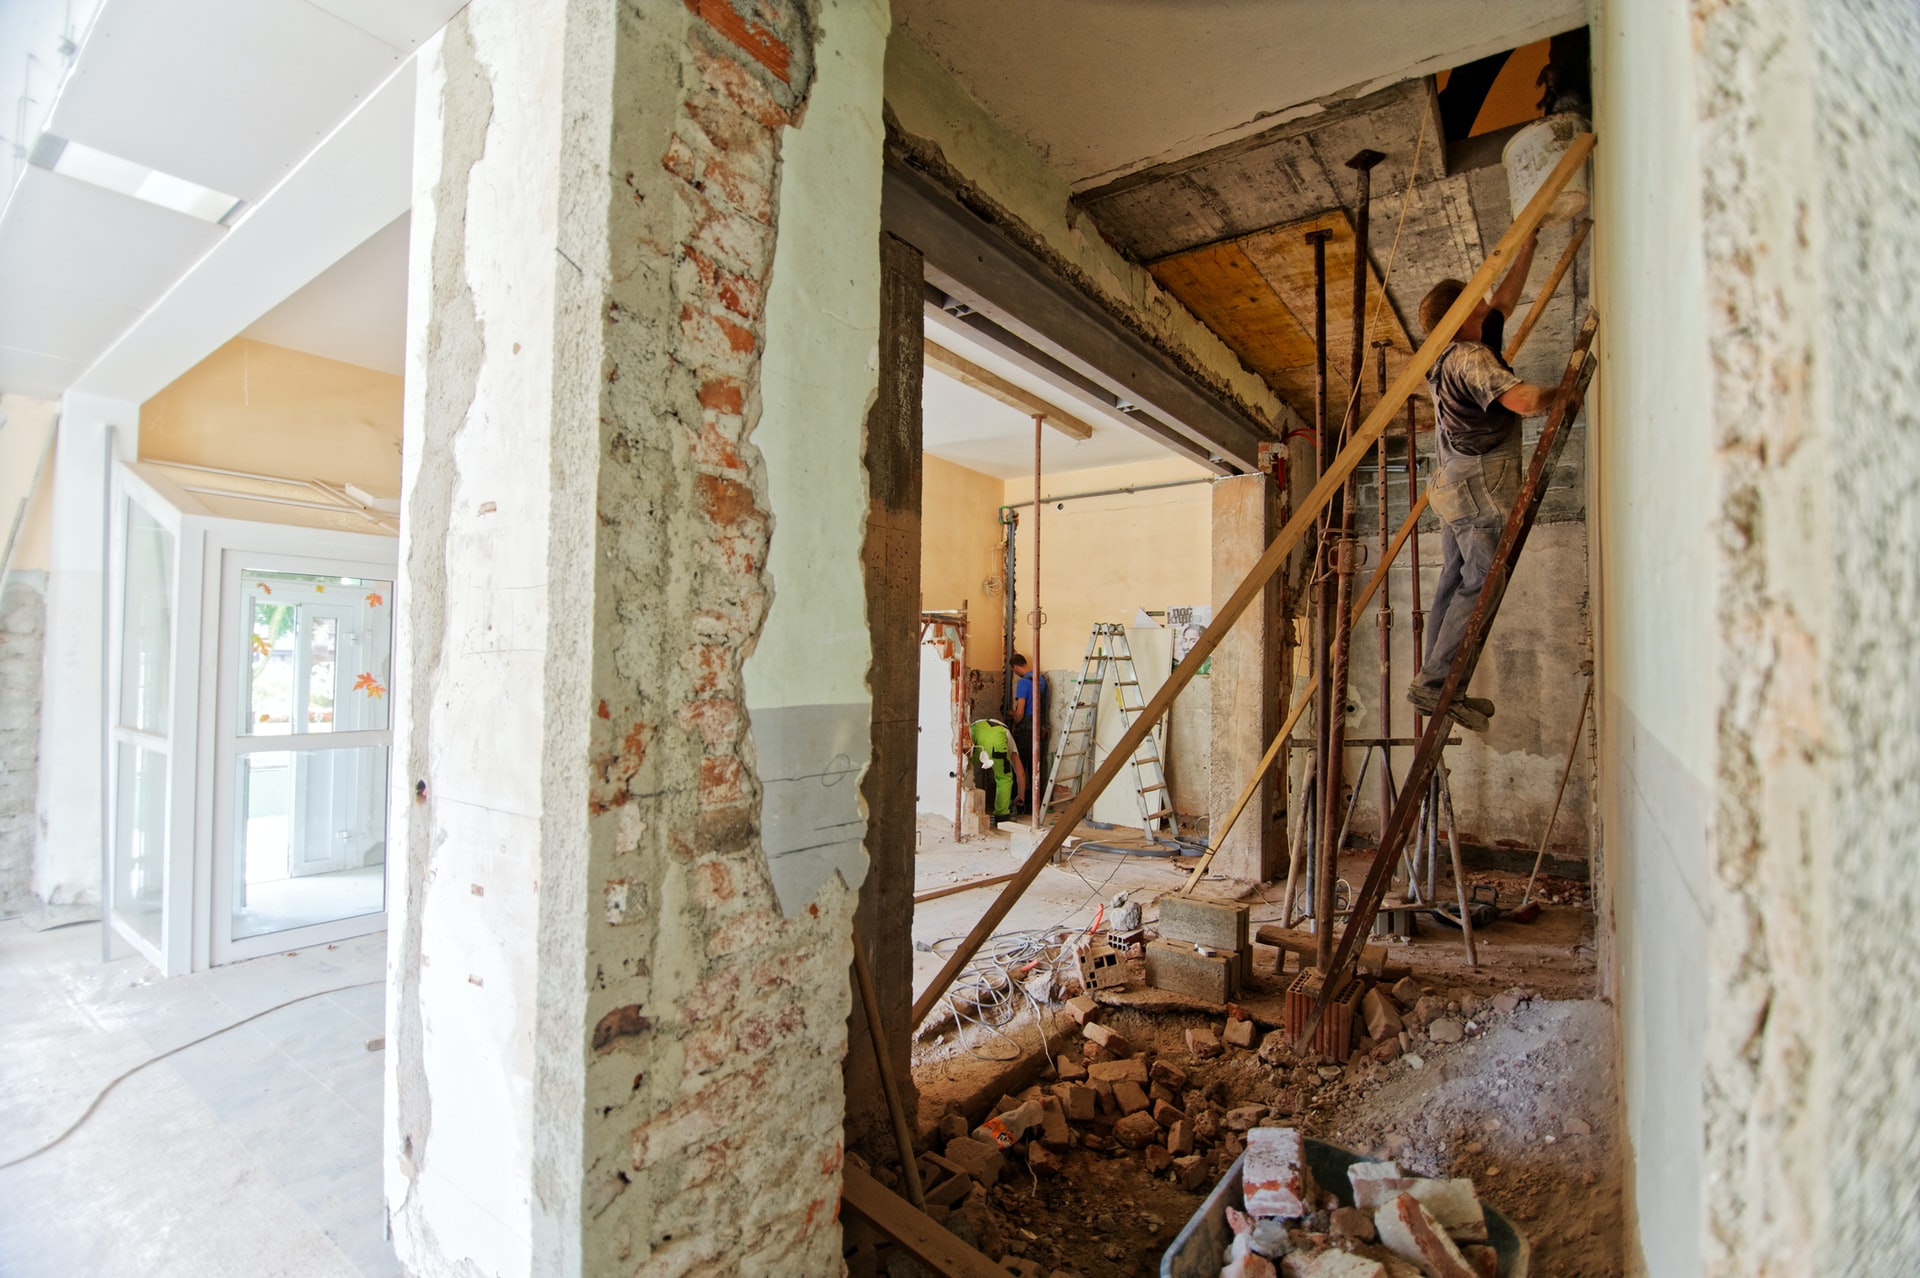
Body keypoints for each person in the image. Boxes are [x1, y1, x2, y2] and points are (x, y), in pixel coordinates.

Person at [1407, 232, 1560, 733]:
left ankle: (1434, 684)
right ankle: (1434, 686)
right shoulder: (1470, 359)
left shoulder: (1460, 346)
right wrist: (1567, 389)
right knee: (1478, 584)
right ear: (1462, 312)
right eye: (1475, 298)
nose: (1485, 301)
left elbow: (1504, 302)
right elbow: (1526, 402)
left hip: (1451, 483)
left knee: (1453, 581)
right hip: (1477, 486)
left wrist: (1529, 244)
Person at [1008, 654, 1048, 812]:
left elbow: (1020, 713)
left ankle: (1019, 803)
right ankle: (1036, 805)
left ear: (1016, 667)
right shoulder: (1042, 680)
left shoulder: (1023, 683)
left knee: (1019, 768)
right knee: (1036, 768)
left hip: (1026, 731)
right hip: (1041, 729)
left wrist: (1012, 716)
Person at [968, 718, 1025, 827]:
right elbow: (1020, 772)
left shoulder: (984, 723)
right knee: (1004, 777)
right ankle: (1001, 815)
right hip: (997, 739)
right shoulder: (1008, 736)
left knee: (966, 768)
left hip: (975, 730)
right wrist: (1020, 796)